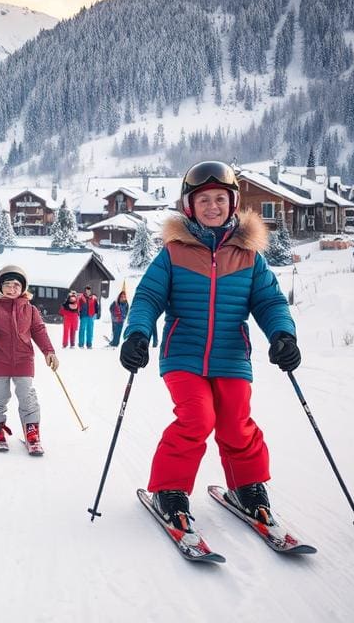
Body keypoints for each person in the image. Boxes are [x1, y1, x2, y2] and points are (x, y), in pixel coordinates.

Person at [119, 160, 300, 530]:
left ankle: (247, 487)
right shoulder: (173, 252)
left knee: (236, 421)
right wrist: (137, 333)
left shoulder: (249, 255)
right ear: (190, 206)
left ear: (232, 203)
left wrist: (282, 335)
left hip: (232, 357)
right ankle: (169, 490)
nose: (213, 206)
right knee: (197, 418)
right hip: (182, 354)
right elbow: (148, 298)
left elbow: (269, 302)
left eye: (220, 198)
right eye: (204, 200)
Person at [0, 265, 59, 450]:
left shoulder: (30, 310)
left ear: (23, 288)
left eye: (16, 285)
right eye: (7, 285)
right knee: (0, 396)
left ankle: (32, 430)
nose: (12, 289)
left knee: (26, 395)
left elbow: (39, 331)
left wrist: (49, 351)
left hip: (23, 360)